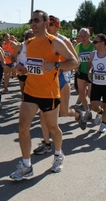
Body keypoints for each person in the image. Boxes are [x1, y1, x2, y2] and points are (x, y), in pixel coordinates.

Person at [9, 10, 78, 181]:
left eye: (37, 20)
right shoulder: (29, 43)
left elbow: (74, 62)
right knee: (23, 127)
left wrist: (56, 64)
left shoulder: (54, 42)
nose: (33, 24)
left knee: (53, 128)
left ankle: (58, 155)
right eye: (31, 20)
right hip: (31, 91)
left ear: (46, 23)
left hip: (49, 93)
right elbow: (33, 67)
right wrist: (23, 70)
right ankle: (26, 166)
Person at [32, 15, 81, 155]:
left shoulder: (63, 41)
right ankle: (46, 143)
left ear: (57, 26)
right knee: (43, 114)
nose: (48, 26)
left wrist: (57, 66)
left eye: (52, 24)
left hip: (62, 79)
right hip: (45, 81)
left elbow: (75, 62)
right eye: (47, 24)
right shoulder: (41, 40)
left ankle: (77, 113)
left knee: (64, 112)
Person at [75, 28, 94, 126]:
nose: (83, 38)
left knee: (90, 94)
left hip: (92, 73)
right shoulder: (78, 46)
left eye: (85, 36)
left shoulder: (94, 45)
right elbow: (75, 58)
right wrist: (76, 66)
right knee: (81, 93)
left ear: (89, 35)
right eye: (81, 36)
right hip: (81, 72)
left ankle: (95, 108)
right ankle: (87, 110)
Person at [12, 29, 34, 100]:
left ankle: (28, 105)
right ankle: (23, 103)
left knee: (30, 90)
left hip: (31, 71)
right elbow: (13, 57)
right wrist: (16, 65)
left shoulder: (36, 46)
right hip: (21, 70)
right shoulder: (20, 46)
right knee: (22, 89)